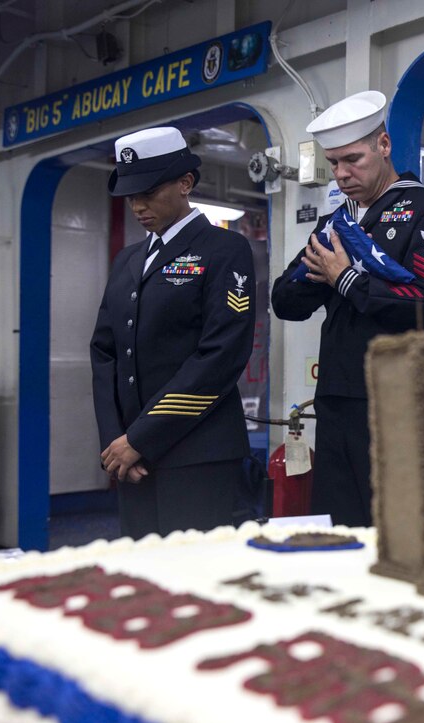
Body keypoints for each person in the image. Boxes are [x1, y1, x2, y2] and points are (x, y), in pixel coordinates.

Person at [271, 91, 424, 527]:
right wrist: (315, 274)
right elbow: (284, 302)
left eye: (353, 160)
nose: (341, 174)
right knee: (339, 526)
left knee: (396, 529)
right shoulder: (336, 224)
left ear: (383, 146)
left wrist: (346, 278)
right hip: (338, 396)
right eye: (334, 163)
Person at [90, 126, 256, 537]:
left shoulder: (224, 250)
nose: (138, 206)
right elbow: (104, 352)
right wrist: (117, 444)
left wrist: (142, 437)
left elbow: (220, 355)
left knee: (195, 579)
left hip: (198, 453)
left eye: (148, 192)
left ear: (185, 183)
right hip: (133, 456)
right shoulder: (128, 260)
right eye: (131, 196)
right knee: (145, 578)